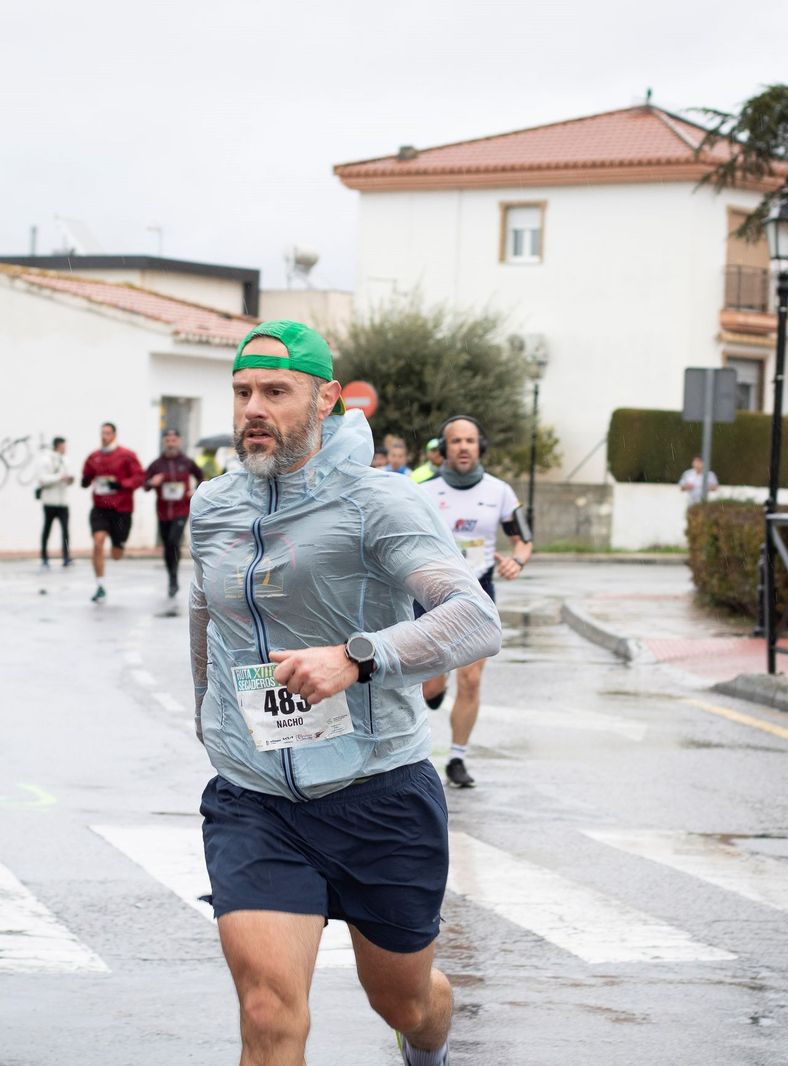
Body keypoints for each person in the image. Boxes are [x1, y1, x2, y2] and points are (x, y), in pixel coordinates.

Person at [189, 319, 500, 1066]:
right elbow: (206, 618)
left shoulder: (377, 502)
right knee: (267, 1008)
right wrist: (209, 715)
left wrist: (360, 659)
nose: (252, 409)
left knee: (405, 1000)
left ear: (325, 398)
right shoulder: (214, 506)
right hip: (256, 798)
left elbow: (473, 618)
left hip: (378, 795)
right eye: (242, 392)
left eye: (275, 391)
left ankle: (426, 1044)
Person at [418, 416, 533, 788]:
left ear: (480, 447)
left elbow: (523, 539)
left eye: (470, 441)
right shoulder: (422, 490)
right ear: (444, 449)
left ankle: (456, 759)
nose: (464, 447)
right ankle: (437, 689)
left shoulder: (499, 491)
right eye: (456, 441)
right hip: (429, 593)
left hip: (477, 591)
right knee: (430, 688)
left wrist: (518, 560)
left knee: (472, 680)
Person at [80, 421, 143, 604]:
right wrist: (85, 480)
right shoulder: (94, 456)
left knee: (116, 554)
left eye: (107, 433)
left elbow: (139, 477)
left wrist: (121, 484)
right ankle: (100, 585)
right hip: (100, 508)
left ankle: (119, 544)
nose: (104, 436)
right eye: (102, 433)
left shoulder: (127, 455)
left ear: (114, 435)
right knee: (98, 543)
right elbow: (86, 476)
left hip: (121, 509)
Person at [143, 428, 203, 598]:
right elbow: (145, 485)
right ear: (164, 442)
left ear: (179, 441)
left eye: (173, 440)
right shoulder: (156, 464)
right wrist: (152, 482)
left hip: (181, 509)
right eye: (168, 440)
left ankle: (174, 578)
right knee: (167, 545)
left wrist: (195, 490)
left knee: (173, 540)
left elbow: (201, 477)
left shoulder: (187, 462)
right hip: (162, 511)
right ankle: (171, 576)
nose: (171, 443)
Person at [35, 436, 75, 569]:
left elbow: (70, 475)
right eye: (63, 446)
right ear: (58, 446)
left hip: (63, 502)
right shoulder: (45, 460)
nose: (65, 449)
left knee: (65, 531)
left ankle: (66, 556)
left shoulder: (66, 460)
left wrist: (69, 479)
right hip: (49, 501)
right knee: (47, 529)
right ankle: (44, 556)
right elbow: (42, 479)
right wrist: (59, 477)